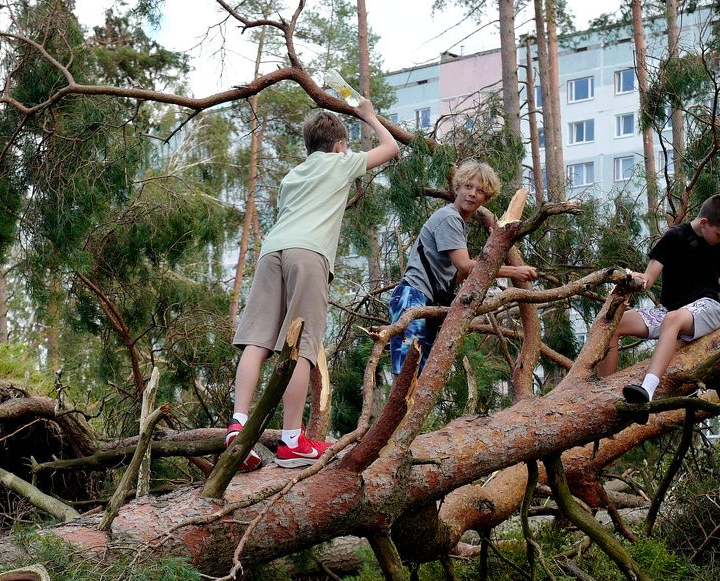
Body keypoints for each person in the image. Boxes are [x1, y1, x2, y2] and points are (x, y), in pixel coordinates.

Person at [229, 99, 399, 470]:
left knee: (257, 341)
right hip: (309, 256)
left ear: (307, 146)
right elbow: (391, 149)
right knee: (302, 347)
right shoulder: (340, 163)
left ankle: (238, 424)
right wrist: (368, 115)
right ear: (339, 146)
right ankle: (292, 441)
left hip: (271, 252)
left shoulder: (293, 176)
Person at [598, 193, 720, 405]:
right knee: (614, 324)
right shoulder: (674, 237)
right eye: (719, 234)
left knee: (672, 319)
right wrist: (630, 278)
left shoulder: (719, 244)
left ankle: (647, 390)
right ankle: (603, 395)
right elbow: (648, 278)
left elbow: (717, 283)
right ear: (704, 223)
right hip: (671, 310)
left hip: (708, 306)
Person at [389, 160, 538, 375]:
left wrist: (492, 254)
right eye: (468, 186)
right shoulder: (449, 218)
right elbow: (466, 267)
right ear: (456, 187)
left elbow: (458, 274)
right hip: (412, 299)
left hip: (425, 301)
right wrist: (513, 272)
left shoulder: (458, 222)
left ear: (486, 198)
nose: (472, 194)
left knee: (420, 378)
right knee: (407, 378)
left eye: (480, 191)